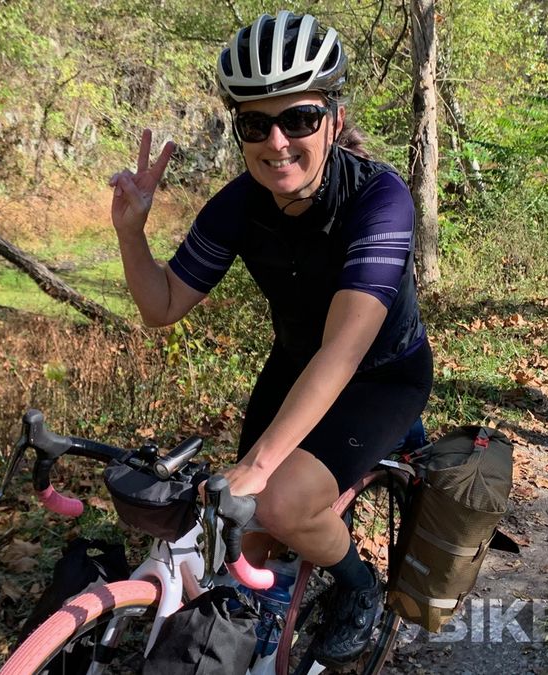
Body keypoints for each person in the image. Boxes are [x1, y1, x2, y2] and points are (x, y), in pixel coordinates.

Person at [107, 10, 432, 666]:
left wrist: (258, 466)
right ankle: (257, 625)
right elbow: (163, 304)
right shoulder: (239, 204)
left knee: (278, 503)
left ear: (333, 121)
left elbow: (344, 349)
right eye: (256, 123)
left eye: (300, 119)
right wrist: (130, 233)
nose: (277, 141)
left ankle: (358, 587)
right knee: (243, 530)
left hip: (380, 373)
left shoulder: (380, 198)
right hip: (293, 363)